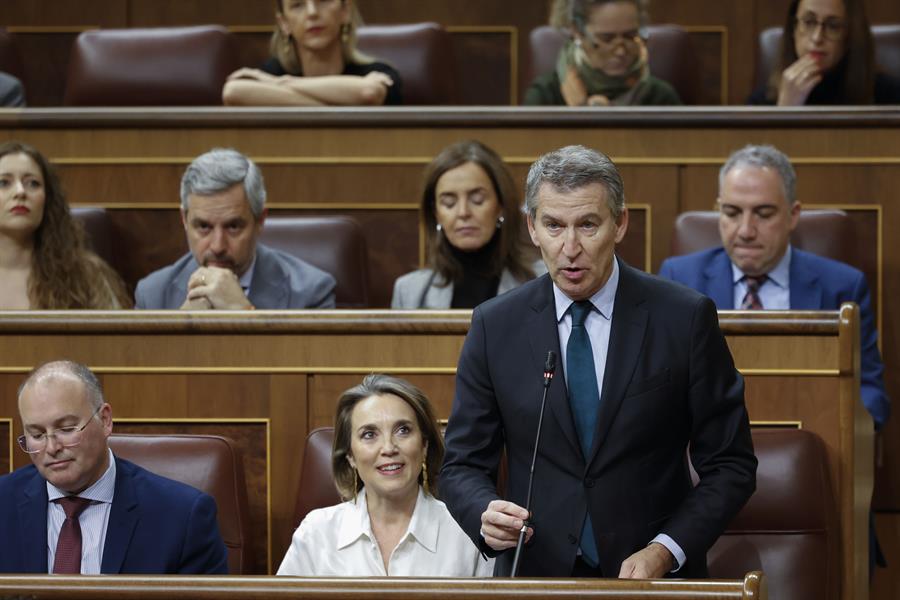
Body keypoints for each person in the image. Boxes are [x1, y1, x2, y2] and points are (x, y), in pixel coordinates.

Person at [440, 145, 756, 578]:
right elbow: (461, 465)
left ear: (619, 223)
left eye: (588, 225)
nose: (570, 247)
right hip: (537, 573)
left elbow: (731, 465)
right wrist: (484, 511)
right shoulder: (495, 326)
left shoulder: (683, 318)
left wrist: (666, 550)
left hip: (652, 578)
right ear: (532, 227)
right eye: (554, 225)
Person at [658, 144, 890, 430]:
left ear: (793, 215)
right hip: (708, 444)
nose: (745, 230)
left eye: (764, 214)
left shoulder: (842, 287)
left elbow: (870, 392)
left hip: (811, 436)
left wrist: (847, 428)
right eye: (732, 212)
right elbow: (662, 384)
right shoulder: (679, 279)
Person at [0, 360, 228, 574]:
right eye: (37, 434)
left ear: (105, 420)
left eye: (67, 429)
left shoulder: (182, 517)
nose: (52, 448)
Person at [277, 374, 492, 576]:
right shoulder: (316, 533)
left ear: (424, 445)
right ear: (350, 455)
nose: (388, 448)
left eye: (403, 430)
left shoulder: (467, 531)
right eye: (369, 434)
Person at [135, 148, 336, 310]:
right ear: (184, 220)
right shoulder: (152, 295)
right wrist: (182, 327)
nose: (217, 246)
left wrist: (242, 312)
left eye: (233, 227)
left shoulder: (311, 293)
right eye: (204, 227)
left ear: (260, 221)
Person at [392, 141, 544, 309]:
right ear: (436, 214)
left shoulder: (545, 280)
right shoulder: (409, 292)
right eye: (449, 203)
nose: (463, 212)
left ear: (500, 206)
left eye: (477, 200)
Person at [0, 141, 130, 310]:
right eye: (4, 183)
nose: (20, 192)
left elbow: (116, 327)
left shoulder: (84, 275)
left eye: (32, 183)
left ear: (47, 199)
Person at [222, 0, 402, 106]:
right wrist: (340, 106)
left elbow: (368, 92)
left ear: (345, 11)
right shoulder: (273, 70)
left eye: (323, 0)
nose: (312, 13)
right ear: (284, 23)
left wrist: (278, 83)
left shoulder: (379, 71)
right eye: (298, 5)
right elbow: (233, 92)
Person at [524, 0, 681, 106]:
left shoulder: (660, 97)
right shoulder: (545, 95)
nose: (620, 51)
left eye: (630, 36)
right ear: (577, 31)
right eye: (607, 38)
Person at [748, 0, 900, 105]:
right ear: (793, 29)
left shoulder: (889, 96)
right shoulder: (762, 101)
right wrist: (785, 110)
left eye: (833, 26)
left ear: (851, 36)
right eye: (809, 22)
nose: (817, 38)